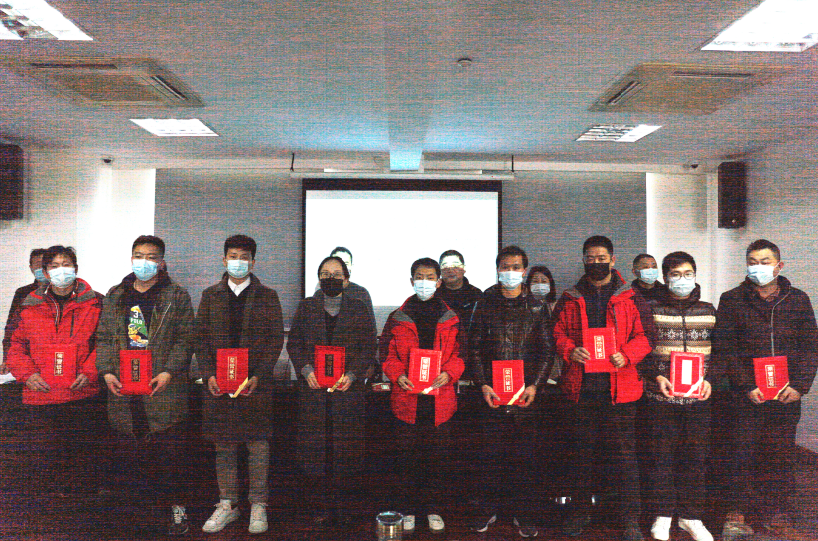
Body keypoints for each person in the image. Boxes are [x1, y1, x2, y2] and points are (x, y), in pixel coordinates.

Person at [713, 239, 818, 539]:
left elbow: (811, 346)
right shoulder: (732, 299)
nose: (758, 267)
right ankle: (735, 515)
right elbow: (725, 348)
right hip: (747, 395)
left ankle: (777, 515)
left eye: (765, 261)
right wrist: (746, 385)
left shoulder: (798, 299)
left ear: (779, 265)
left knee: (781, 455)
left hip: (786, 395)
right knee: (740, 454)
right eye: (753, 262)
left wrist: (799, 386)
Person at [553, 235, 652, 541]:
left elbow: (647, 336)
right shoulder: (569, 297)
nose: (595, 263)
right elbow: (555, 333)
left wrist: (628, 355)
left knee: (624, 457)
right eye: (590, 258)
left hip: (620, 390)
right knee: (580, 455)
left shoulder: (631, 297)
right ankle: (580, 513)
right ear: (583, 260)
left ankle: (629, 520)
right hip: (581, 388)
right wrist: (569, 350)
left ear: (612, 259)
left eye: (601, 258)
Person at [95, 235, 195, 536]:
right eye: (139, 256)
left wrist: (169, 372)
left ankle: (177, 509)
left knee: (169, 456)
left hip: (162, 387)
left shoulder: (176, 295)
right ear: (131, 259)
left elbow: (185, 339)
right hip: (124, 388)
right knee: (131, 456)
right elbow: (103, 337)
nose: (144, 262)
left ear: (161, 262)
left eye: (151, 257)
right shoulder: (115, 295)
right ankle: (136, 518)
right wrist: (106, 371)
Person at [196, 235, 284, 534]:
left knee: (257, 444)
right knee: (224, 445)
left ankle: (258, 504)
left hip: (255, 383)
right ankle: (227, 504)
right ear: (224, 260)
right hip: (218, 383)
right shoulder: (210, 295)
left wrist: (260, 373)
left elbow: (275, 339)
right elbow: (200, 339)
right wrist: (208, 373)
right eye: (232, 256)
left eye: (243, 257)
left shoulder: (268, 296)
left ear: (253, 262)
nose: (237, 262)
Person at [6, 245, 104, 497]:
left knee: (82, 459)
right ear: (46, 272)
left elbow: (106, 343)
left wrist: (90, 371)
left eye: (66, 264)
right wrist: (27, 375)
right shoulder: (29, 304)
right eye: (54, 266)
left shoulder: (96, 302)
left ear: (76, 268)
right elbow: (15, 346)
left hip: (81, 393)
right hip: (41, 393)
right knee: (45, 459)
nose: (61, 270)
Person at [468, 245, 552, 538]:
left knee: (525, 459)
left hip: (526, 396)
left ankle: (524, 514)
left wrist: (535, 385)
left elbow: (547, 351)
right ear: (497, 269)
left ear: (524, 271)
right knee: (488, 457)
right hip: (490, 394)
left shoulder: (538, 305)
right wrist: (482, 383)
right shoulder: (484, 302)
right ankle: (486, 509)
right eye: (506, 267)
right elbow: (473, 347)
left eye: (516, 267)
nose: (511, 272)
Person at [287, 256, 376, 529]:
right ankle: (319, 508)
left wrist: (353, 374)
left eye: (336, 273)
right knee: (315, 453)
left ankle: (345, 510)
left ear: (346, 279)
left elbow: (368, 347)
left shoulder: (359, 308)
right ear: (318, 278)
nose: (330, 278)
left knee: (345, 452)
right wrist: (305, 370)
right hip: (314, 393)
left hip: (347, 394)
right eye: (325, 273)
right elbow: (294, 344)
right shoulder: (306, 307)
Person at [382, 257, 464, 534]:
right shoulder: (397, 317)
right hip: (407, 400)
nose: (424, 282)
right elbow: (386, 354)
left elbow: (461, 355)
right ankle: (407, 509)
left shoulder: (452, 317)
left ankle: (434, 509)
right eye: (419, 277)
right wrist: (397, 375)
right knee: (406, 460)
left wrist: (449, 373)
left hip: (440, 402)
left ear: (439, 282)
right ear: (411, 280)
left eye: (430, 277)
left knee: (436, 460)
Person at [639, 252, 716, 541]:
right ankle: (663, 515)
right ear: (665, 277)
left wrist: (710, 379)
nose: (682, 280)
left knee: (696, 458)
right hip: (661, 398)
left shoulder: (709, 310)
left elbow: (722, 351)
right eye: (675, 274)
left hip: (698, 400)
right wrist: (654, 376)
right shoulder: (650, 309)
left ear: (695, 275)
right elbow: (640, 350)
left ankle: (691, 517)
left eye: (687, 274)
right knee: (661, 457)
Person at [3, 247, 47, 368]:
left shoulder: (59, 291)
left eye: (44, 263)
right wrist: (7, 358)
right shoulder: (22, 293)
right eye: (37, 264)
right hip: (26, 353)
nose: (41, 268)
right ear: (31, 268)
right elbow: (11, 327)